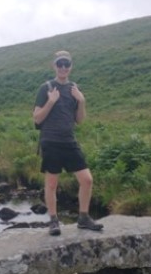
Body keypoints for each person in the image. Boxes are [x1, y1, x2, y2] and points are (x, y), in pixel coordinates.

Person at [33, 50, 104, 236]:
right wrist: (51, 102)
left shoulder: (74, 88)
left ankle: (83, 218)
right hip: (50, 141)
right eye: (60, 64)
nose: (63, 67)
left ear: (71, 66)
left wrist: (82, 101)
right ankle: (54, 221)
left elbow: (79, 120)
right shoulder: (45, 88)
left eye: (66, 64)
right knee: (51, 184)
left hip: (69, 141)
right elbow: (37, 119)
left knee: (87, 180)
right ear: (54, 66)